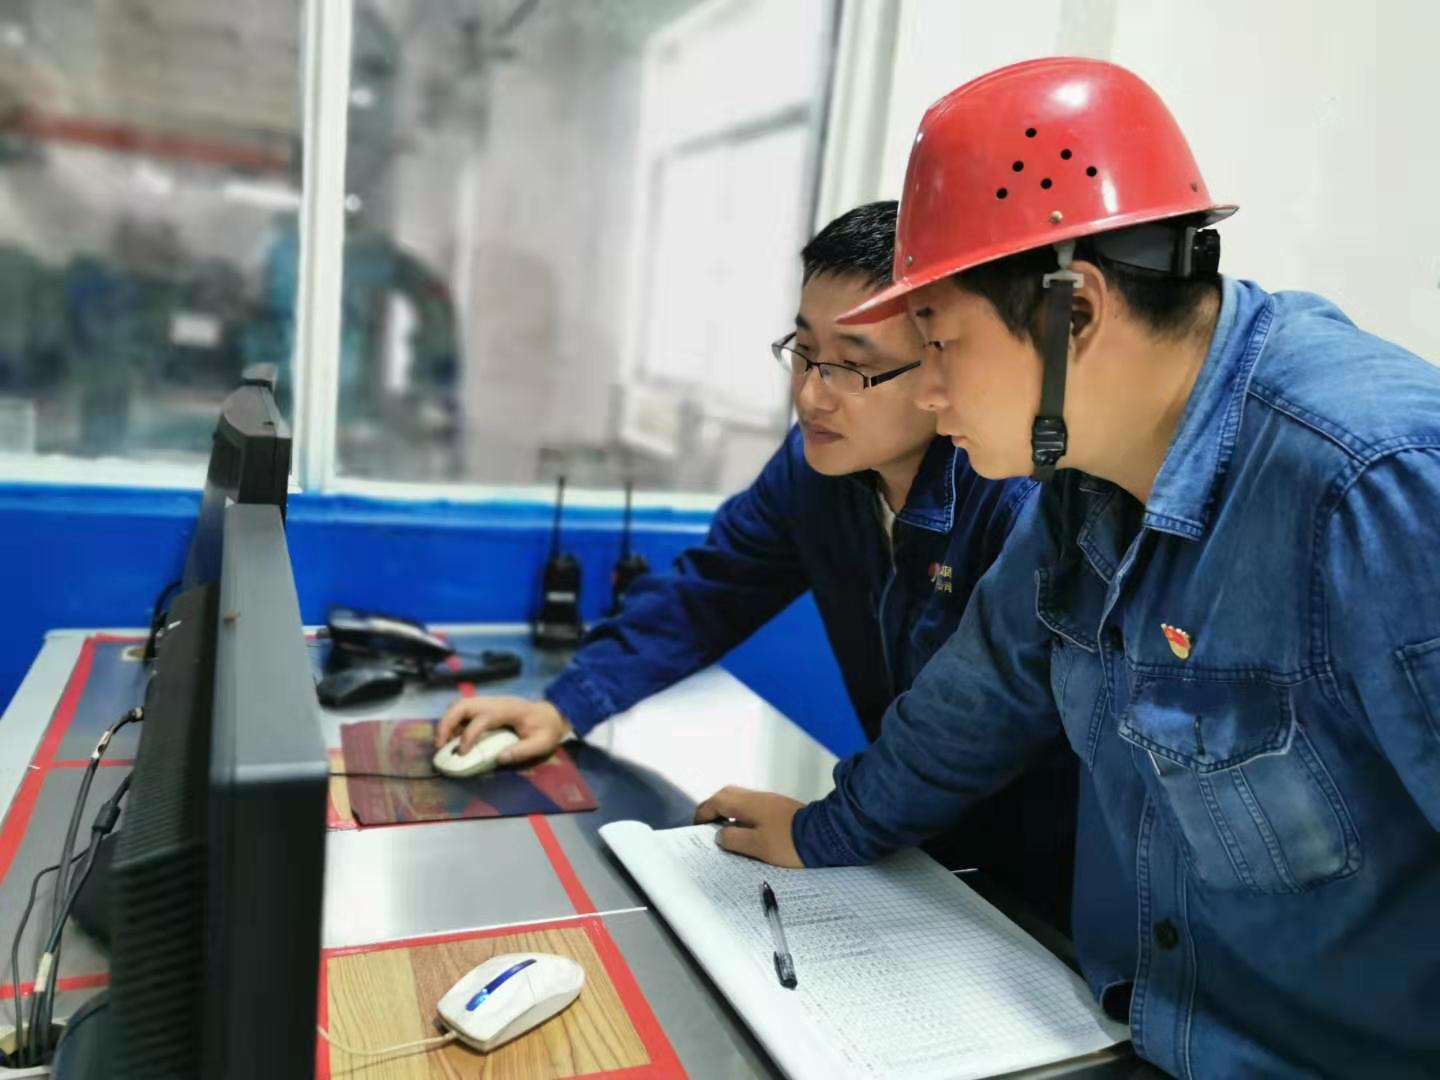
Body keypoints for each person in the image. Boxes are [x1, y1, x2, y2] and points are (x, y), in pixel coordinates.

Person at [696, 59, 1440, 1077]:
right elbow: (971, 702)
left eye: (942, 342)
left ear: (1072, 313)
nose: (931, 390)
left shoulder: (1374, 483)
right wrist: (825, 832)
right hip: (1140, 1036)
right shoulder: (1080, 489)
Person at [439, 202, 1075, 922]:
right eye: (803, 352)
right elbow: (712, 588)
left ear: (943, 364)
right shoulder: (817, 472)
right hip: (913, 850)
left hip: (1047, 881)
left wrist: (830, 828)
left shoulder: (1020, 501)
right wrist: (567, 703)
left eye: (852, 365)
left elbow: (978, 721)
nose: (809, 394)